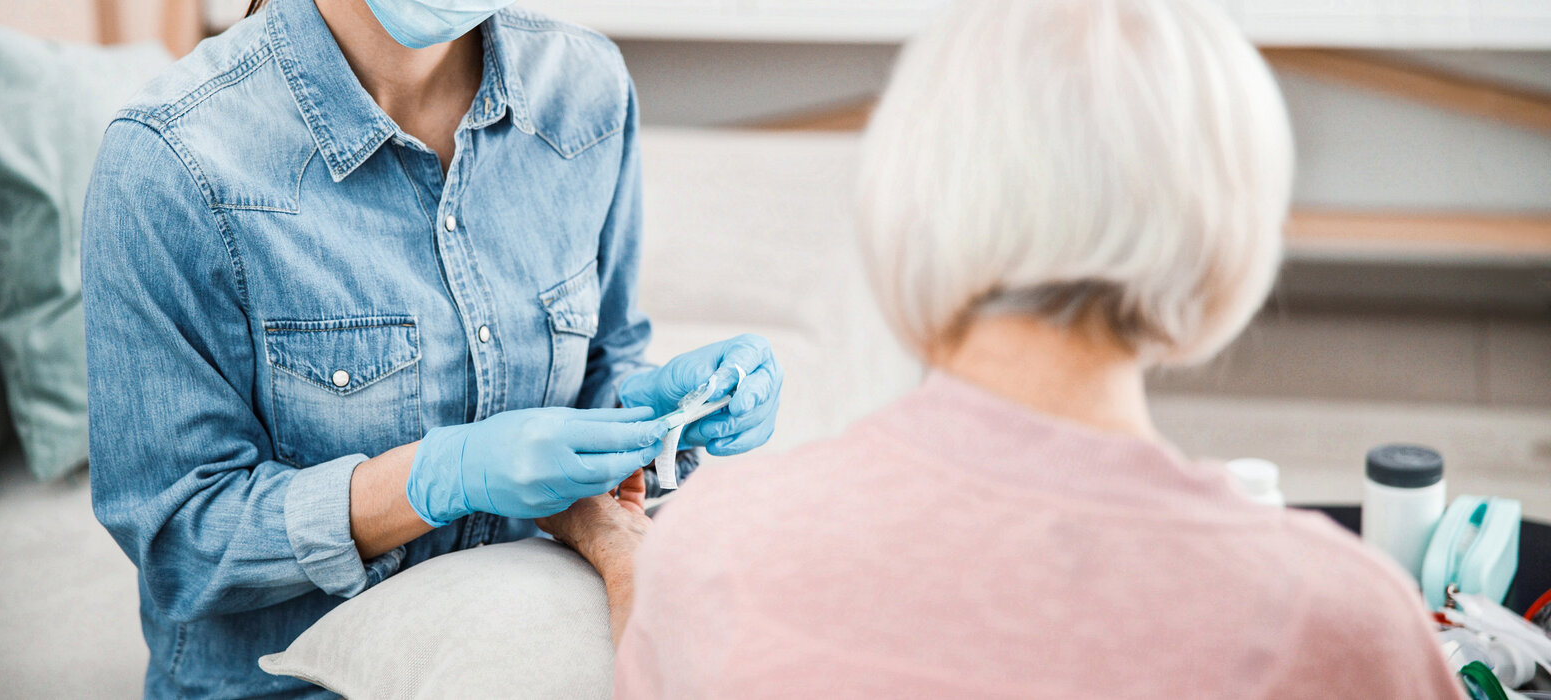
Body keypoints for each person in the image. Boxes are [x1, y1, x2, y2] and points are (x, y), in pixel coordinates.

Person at [537, 0, 1463, 697]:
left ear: (907, 202)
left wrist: (629, 555)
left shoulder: (717, 542)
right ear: (1229, 231)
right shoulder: (1342, 620)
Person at [79, 0, 784, 696]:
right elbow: (179, 545)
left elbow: (604, 359)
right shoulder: (170, 160)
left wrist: (662, 415)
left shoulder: (585, 87)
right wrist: (437, 475)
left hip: (520, 635)